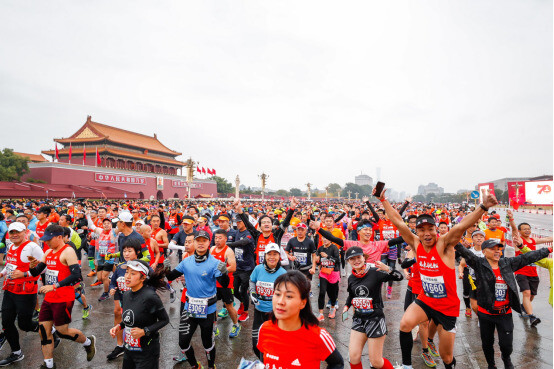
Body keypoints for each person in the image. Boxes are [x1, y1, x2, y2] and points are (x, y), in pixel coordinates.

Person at [380, 187, 498, 369]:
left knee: (447, 356)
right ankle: (406, 366)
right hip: (426, 300)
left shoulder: (444, 244)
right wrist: (383, 201)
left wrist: (483, 207)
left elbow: (461, 226)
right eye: (421, 230)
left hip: (448, 306)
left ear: (436, 229)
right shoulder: (416, 243)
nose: (427, 234)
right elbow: (399, 223)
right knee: (405, 324)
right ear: (417, 232)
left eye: (430, 229)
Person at [455, 237, 551, 369]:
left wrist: (548, 249)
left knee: (507, 345)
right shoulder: (478, 263)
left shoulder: (507, 263)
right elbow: (464, 251)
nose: (497, 251)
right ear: (483, 252)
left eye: (498, 249)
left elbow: (527, 257)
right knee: (487, 343)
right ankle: (491, 364)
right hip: (485, 313)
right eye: (492, 249)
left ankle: (506, 358)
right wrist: (453, 239)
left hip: (504, 313)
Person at [27, 224, 96, 369]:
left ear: (59, 237)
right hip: (49, 298)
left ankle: (88, 343)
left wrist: (54, 286)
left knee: (62, 331)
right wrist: (32, 266)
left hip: (63, 298)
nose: (46, 242)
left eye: (49, 239)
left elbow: (76, 275)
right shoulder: (49, 251)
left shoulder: (68, 251)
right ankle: (49, 364)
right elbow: (35, 273)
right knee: (43, 332)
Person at [165, 230, 230, 369]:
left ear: (208, 243)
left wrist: (224, 273)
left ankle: (211, 366)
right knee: (183, 343)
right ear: (194, 243)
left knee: (207, 343)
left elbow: (224, 284)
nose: (201, 243)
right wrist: (166, 269)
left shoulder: (215, 263)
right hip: (190, 308)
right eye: (198, 240)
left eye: (204, 241)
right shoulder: (186, 261)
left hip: (209, 309)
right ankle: (195, 365)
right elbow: (170, 277)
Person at [256, 270, 344, 369]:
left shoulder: (319, 336)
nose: (280, 302)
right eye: (277, 294)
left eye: (289, 296)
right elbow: (263, 362)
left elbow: (337, 364)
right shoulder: (264, 329)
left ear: (303, 303)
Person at [342, 247, 402, 369]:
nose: (356, 261)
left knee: (376, 362)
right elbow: (352, 295)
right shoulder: (351, 278)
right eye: (352, 259)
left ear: (364, 257)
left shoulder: (376, 272)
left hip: (375, 319)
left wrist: (388, 269)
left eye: (358, 257)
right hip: (358, 319)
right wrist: (346, 305)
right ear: (348, 261)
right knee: (353, 357)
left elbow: (399, 277)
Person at [109, 259, 169, 369]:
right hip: (129, 350)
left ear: (143, 278)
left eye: (133, 273)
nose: (127, 276)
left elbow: (164, 320)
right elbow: (130, 317)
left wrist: (144, 331)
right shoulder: (126, 294)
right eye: (127, 272)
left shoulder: (150, 296)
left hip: (147, 353)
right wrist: (119, 326)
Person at [0, 222, 44, 365]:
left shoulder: (32, 247)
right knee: (6, 321)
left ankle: (50, 329)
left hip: (26, 290)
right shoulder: (11, 246)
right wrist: (2, 273)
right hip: (10, 289)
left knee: (24, 324)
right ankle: (16, 352)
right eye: (11, 232)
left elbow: (44, 267)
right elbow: (10, 264)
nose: (14, 235)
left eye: (17, 232)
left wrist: (25, 274)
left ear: (25, 232)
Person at [106, 239, 143, 361]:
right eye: (124, 251)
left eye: (129, 251)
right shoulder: (120, 267)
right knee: (119, 316)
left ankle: (139, 347)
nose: (126, 254)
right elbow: (113, 282)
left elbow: (152, 286)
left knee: (135, 324)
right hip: (123, 299)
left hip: (138, 303)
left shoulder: (142, 267)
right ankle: (120, 345)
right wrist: (111, 289)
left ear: (137, 252)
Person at [400, 245, 437, 367]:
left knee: (424, 322)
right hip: (412, 287)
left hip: (426, 290)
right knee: (407, 315)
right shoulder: (414, 250)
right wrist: (415, 259)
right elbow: (405, 264)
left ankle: (425, 350)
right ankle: (421, 334)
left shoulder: (437, 249)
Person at [249, 243, 287, 359]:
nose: (272, 257)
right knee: (256, 345)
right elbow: (252, 281)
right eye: (269, 254)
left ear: (279, 256)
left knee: (272, 345)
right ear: (265, 256)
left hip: (274, 315)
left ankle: (267, 364)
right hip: (259, 312)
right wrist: (253, 292)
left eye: (275, 254)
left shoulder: (283, 273)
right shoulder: (258, 269)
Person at [235, 198, 296, 266]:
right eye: (263, 222)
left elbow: (285, 223)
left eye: (268, 222)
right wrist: (239, 210)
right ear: (260, 226)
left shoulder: (276, 235)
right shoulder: (257, 235)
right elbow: (247, 224)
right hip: (260, 270)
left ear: (271, 225)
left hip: (274, 270)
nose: (266, 224)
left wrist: (292, 208)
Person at [513, 221, 553, 326]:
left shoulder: (533, 240)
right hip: (521, 271)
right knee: (526, 293)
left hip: (533, 272)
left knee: (532, 295)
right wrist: (512, 219)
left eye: (528, 228)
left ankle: (523, 307)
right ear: (519, 231)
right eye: (524, 229)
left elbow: (548, 239)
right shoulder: (519, 241)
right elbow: (513, 230)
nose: (527, 230)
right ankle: (531, 317)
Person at [210, 229, 241, 338]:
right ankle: (214, 327)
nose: (217, 240)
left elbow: (233, 267)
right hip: (213, 283)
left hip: (225, 284)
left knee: (229, 306)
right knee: (211, 305)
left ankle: (236, 325)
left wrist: (222, 270)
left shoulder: (228, 251)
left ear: (225, 239)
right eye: (215, 238)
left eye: (220, 238)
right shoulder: (212, 249)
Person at [226, 215, 255, 322]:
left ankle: (246, 312)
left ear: (245, 222)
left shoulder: (249, 233)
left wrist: (230, 244)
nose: (237, 223)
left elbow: (243, 242)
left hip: (247, 268)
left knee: (243, 290)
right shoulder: (237, 232)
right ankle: (243, 302)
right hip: (238, 267)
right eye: (236, 222)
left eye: (239, 222)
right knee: (233, 289)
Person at [86, 212, 117, 300]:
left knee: (104, 277)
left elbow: (122, 228)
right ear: (102, 225)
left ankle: (106, 293)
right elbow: (91, 226)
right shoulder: (100, 231)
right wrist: (88, 215)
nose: (106, 225)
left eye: (108, 223)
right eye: (104, 223)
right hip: (100, 257)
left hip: (109, 258)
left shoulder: (113, 232)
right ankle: (114, 283)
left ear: (111, 225)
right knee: (100, 278)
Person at [311, 233, 340, 321]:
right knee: (322, 292)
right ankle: (321, 314)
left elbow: (337, 260)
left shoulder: (334, 248)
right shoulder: (320, 248)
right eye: (324, 237)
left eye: (327, 238)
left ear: (330, 239)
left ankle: (332, 308)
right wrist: (318, 260)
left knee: (332, 294)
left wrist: (327, 256)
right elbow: (319, 262)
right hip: (324, 272)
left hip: (333, 273)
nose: (325, 239)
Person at [458, 230, 485, 317]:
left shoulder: (488, 251)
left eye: (481, 237)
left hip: (485, 279)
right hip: (472, 279)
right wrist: (461, 272)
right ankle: (468, 308)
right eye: (476, 236)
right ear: (472, 239)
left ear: (484, 239)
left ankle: (483, 317)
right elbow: (461, 265)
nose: (479, 238)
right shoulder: (469, 252)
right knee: (471, 301)